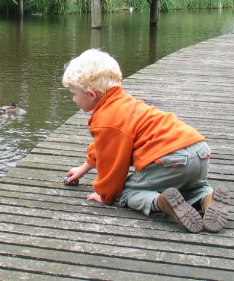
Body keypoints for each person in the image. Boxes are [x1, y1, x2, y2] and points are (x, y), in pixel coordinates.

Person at [62, 48, 230, 233]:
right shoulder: (125, 103)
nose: (73, 98)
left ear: (91, 95)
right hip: (199, 151)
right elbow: (105, 146)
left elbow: (112, 162)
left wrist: (105, 194)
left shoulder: (107, 119)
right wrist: (84, 168)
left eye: (74, 93)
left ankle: (160, 203)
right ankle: (208, 198)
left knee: (127, 193)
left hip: (171, 159)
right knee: (193, 186)